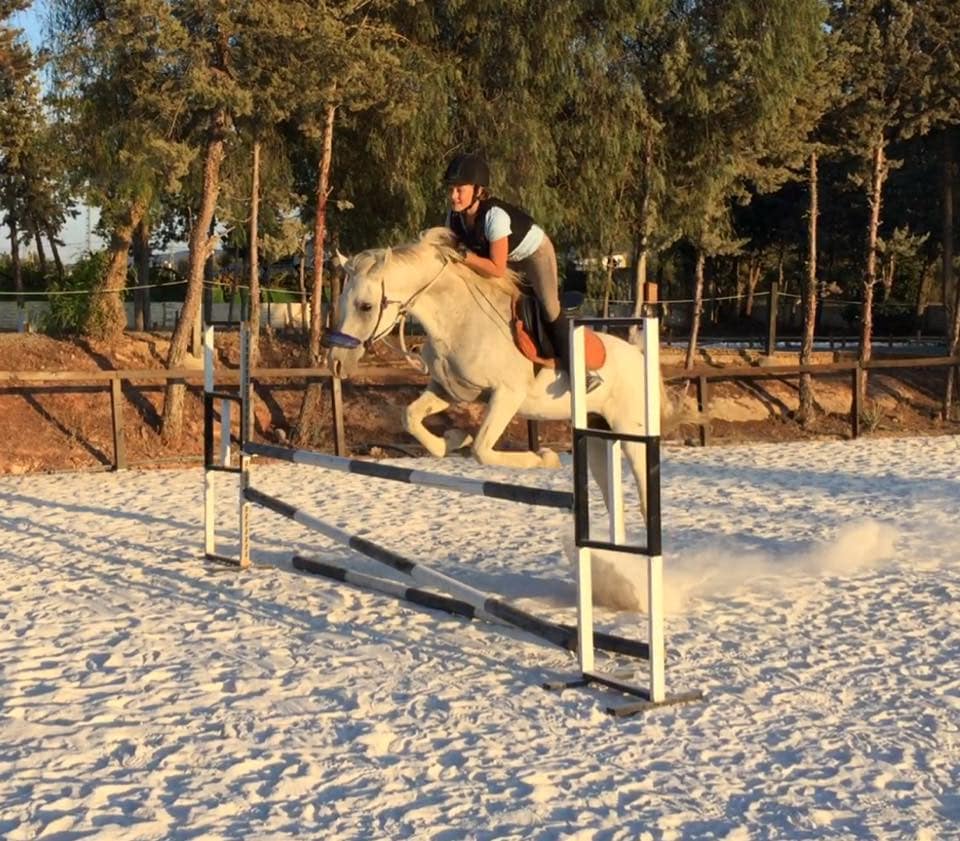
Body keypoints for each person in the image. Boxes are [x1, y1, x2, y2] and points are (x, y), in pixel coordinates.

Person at [443, 152, 601, 391]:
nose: (453, 196)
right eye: (451, 190)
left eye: (459, 190)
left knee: (549, 307)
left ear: (478, 190)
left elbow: (496, 268)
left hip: (534, 254)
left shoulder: (494, 216)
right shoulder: (454, 218)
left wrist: (465, 257)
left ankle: (581, 372)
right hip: (507, 258)